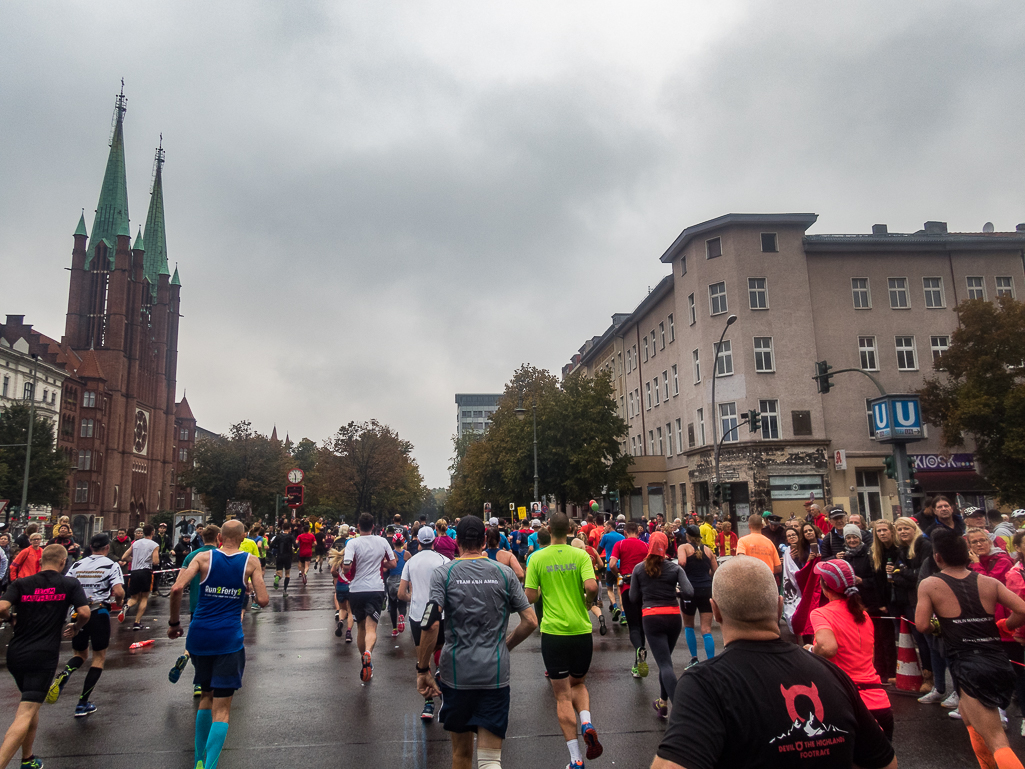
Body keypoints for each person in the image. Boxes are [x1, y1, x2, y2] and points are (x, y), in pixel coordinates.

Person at [650, 557, 896, 769]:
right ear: (779, 606)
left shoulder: (703, 684)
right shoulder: (833, 673)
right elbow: (885, 762)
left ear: (716, 611)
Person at [416, 515, 538, 769]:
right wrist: (506, 645)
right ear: (483, 541)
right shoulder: (504, 573)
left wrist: (423, 668)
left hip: (456, 675)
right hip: (494, 673)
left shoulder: (444, 573)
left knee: (461, 755)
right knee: (491, 758)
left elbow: (431, 622)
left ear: (456, 541)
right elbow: (530, 621)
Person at [916, 528, 1025, 769]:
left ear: (937, 558)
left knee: (997, 739)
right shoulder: (989, 582)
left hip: (970, 666)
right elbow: (1023, 610)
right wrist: (1005, 626)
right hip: (997, 661)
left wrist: (940, 626)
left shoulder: (930, 583)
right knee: (969, 719)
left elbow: (922, 625)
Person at [168, 520, 269, 769]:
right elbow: (264, 600)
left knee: (205, 696)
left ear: (220, 536)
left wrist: (173, 623)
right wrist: (245, 590)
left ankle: (198, 759)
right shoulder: (250, 561)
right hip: (228, 638)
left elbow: (177, 588)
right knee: (222, 709)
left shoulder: (203, 558)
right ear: (244, 536)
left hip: (199, 635)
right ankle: (209, 765)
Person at [0, 544, 90, 769]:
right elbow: (86, 612)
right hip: (43, 655)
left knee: (30, 702)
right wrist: (77, 627)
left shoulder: (22, 583)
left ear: (40, 562)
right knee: (26, 711)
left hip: (16, 653)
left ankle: (28, 758)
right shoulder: (69, 583)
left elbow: (1, 606)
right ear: (62, 562)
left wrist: (11, 619)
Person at [524, 513, 601, 769]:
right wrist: (587, 603)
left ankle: (576, 758)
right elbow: (591, 587)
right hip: (581, 631)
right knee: (578, 683)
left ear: (547, 529)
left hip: (554, 633)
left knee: (562, 696)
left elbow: (531, 597)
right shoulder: (580, 556)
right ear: (570, 529)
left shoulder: (537, 558)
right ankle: (587, 722)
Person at [808, 559, 893, 739]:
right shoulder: (863, 615)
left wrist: (809, 650)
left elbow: (827, 647)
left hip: (847, 703)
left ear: (825, 586)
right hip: (879, 702)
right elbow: (870, 656)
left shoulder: (821, 613)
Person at [47, 533, 125, 716]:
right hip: (98, 611)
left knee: (80, 654)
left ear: (90, 546)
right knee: (98, 658)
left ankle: (65, 673)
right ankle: (83, 702)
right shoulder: (111, 565)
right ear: (107, 548)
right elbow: (119, 591)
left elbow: (64, 585)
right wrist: (119, 602)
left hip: (77, 612)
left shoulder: (77, 564)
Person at [629, 531, 694, 719]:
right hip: (673, 616)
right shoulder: (674, 569)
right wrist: (675, 593)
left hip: (651, 617)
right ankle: (662, 703)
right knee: (665, 661)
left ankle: (680, 714)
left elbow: (633, 598)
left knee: (665, 664)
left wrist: (645, 589)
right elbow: (689, 592)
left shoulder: (639, 569)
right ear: (665, 546)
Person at [398, 525, 449, 721]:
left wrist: (416, 597)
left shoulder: (411, 562)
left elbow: (401, 593)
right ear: (434, 541)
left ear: (418, 541)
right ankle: (444, 693)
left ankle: (428, 704)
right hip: (440, 615)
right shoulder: (444, 560)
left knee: (422, 658)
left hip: (418, 615)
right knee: (441, 653)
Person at [343, 512, 397, 681]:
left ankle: (364, 660)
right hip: (376, 588)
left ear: (358, 527)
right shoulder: (382, 541)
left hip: (356, 589)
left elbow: (346, 566)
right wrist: (381, 563)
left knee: (360, 627)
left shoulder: (352, 543)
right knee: (372, 627)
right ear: (373, 527)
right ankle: (368, 652)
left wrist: (349, 570)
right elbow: (393, 563)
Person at [169, 524, 220, 697]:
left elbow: (179, 583)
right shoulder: (222, 556)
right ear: (219, 537)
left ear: (201, 538)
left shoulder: (192, 556)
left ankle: (198, 682)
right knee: (216, 644)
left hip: (196, 605)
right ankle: (214, 680)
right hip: (217, 605)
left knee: (197, 642)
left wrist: (173, 621)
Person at [609, 520, 651, 677]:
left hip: (627, 587)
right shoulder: (645, 546)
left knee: (633, 626)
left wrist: (618, 574)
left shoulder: (620, 545)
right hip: (643, 588)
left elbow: (612, 563)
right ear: (638, 532)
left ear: (625, 533)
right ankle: (638, 663)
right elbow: (649, 564)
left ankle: (638, 650)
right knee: (641, 625)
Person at [678, 524, 718, 666]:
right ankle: (711, 661)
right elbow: (715, 570)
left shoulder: (683, 547)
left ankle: (694, 659)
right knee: (706, 629)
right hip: (706, 589)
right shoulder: (707, 550)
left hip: (690, 590)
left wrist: (680, 576)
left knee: (689, 625)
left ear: (687, 536)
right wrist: (706, 575)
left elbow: (682, 562)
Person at [870, 519, 900, 682]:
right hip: (883, 601)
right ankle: (884, 671)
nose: (882, 534)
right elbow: (876, 580)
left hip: (899, 597)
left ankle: (896, 671)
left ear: (891, 531)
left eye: (884, 530)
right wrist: (881, 603)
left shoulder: (899, 550)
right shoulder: (876, 553)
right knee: (883, 638)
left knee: (900, 637)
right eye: (878, 531)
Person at [119, 523, 160, 631]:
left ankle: (127, 606)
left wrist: (135, 559)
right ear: (152, 532)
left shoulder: (136, 543)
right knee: (144, 598)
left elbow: (124, 557)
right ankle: (137, 622)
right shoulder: (154, 545)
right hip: (146, 572)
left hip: (134, 571)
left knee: (134, 598)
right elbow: (155, 561)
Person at [597, 519, 626, 621]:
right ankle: (623, 613)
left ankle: (614, 606)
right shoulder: (622, 537)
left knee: (609, 589)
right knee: (619, 589)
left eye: (605, 526)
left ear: (609, 526)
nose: (604, 528)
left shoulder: (606, 537)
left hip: (610, 566)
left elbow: (598, 550)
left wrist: (601, 539)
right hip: (620, 566)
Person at [736, 514, 781, 578]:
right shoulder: (769, 542)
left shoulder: (742, 541)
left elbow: (741, 560)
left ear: (749, 526)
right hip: (767, 578)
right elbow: (778, 568)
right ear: (762, 526)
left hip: (750, 578)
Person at [386, 533, 408, 638]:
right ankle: (402, 616)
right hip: (403, 580)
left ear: (393, 542)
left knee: (392, 604)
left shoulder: (391, 554)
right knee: (402, 603)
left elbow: (386, 568)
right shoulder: (407, 554)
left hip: (392, 580)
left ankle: (394, 629)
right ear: (403, 542)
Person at [272, 524, 295, 590]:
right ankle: (285, 590)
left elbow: (272, 545)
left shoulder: (278, 536)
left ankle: (277, 577)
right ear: (289, 528)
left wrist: (277, 547)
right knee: (287, 574)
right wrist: (294, 549)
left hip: (279, 555)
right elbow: (296, 545)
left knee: (279, 572)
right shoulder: (290, 537)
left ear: (282, 528)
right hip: (288, 556)